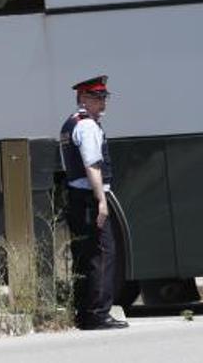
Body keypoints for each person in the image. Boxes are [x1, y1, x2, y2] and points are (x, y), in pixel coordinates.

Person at [59, 74, 128, 330]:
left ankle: (85, 313)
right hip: (89, 197)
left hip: (77, 198)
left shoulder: (70, 123)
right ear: (83, 98)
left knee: (85, 256)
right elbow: (92, 165)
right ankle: (98, 314)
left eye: (104, 97)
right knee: (102, 255)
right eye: (97, 97)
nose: (103, 102)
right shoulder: (87, 126)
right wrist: (101, 200)